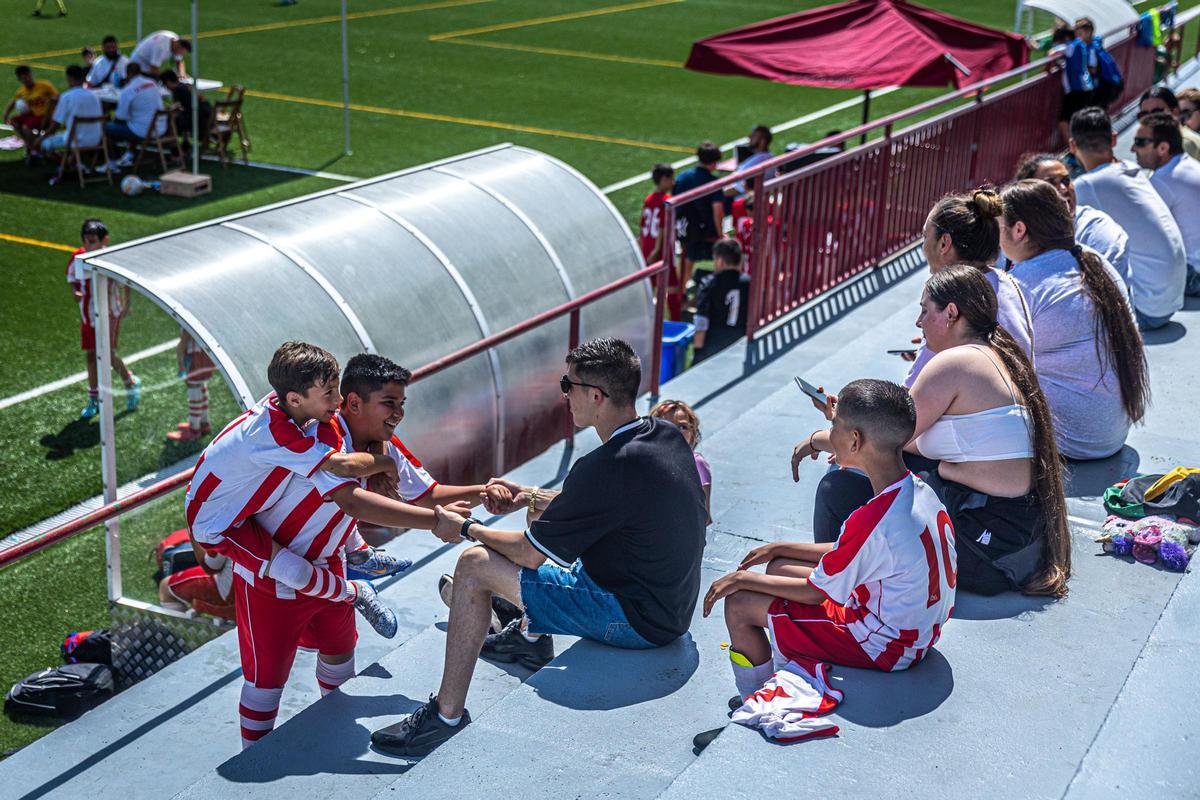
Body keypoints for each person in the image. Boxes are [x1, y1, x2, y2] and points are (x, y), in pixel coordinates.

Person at [370, 337, 708, 757]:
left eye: (569, 384)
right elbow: (598, 507)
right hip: (668, 607)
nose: (564, 393)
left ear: (595, 395)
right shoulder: (661, 436)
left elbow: (531, 554)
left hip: (636, 621)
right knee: (537, 517)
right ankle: (529, 640)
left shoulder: (603, 467)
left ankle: (445, 717)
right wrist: (528, 496)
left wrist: (466, 527)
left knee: (474, 564)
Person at [225, 352, 485, 749]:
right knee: (267, 683)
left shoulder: (382, 445)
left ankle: (338, 731)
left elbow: (427, 493)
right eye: (389, 403)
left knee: (339, 655)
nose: (398, 414)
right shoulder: (319, 440)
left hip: (328, 565)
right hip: (270, 575)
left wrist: (489, 492)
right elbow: (354, 503)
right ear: (352, 403)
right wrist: (436, 521)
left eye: (402, 404)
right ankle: (251, 762)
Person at [708, 379, 954, 716]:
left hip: (886, 646)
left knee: (739, 604)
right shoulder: (917, 492)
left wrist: (740, 581)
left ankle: (755, 705)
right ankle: (781, 670)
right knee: (779, 565)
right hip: (917, 634)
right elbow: (854, 550)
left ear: (855, 440)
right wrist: (779, 547)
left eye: (834, 424)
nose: (830, 432)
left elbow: (814, 594)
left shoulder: (874, 519)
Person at [184, 341, 444, 640]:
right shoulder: (277, 434)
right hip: (219, 526)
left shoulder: (283, 408)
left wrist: (377, 447)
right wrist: (384, 462)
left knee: (317, 492)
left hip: (218, 506)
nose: (340, 399)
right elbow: (344, 466)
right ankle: (355, 591)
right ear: (296, 398)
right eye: (330, 393)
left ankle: (358, 552)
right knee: (292, 571)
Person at [998, 179, 1148, 460]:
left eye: (999, 227)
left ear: (1019, 230)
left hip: (1073, 441)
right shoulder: (1096, 262)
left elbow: (992, 365)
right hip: (1112, 434)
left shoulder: (1023, 284)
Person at [1070, 106, 1186, 330]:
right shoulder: (1131, 169)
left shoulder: (1086, 185)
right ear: (1113, 139)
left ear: (1072, 145)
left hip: (1146, 310)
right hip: (1169, 301)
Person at [905, 189, 1033, 386]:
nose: (923, 246)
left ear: (944, 243)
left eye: (925, 237)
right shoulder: (1009, 283)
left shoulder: (952, 294)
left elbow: (911, 397)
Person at [1014, 154, 1129, 283]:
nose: (1063, 189)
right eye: (1050, 183)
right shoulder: (1017, 232)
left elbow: (1105, 286)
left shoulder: (1096, 228)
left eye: (1066, 180)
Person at [66, 219, 140, 419]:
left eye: (93, 241)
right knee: (91, 355)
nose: (88, 246)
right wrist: (75, 293)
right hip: (88, 315)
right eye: (86, 241)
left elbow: (125, 281)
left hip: (110, 312)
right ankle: (94, 399)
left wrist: (127, 303)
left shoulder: (110, 258)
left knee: (107, 354)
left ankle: (130, 384)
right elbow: (72, 279)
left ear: (104, 240)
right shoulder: (78, 257)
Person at [1132, 112, 1200, 298]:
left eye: (1140, 142)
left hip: (1195, 275)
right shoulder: (1189, 165)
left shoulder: (1162, 181)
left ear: (1162, 148)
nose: (1133, 148)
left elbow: (1145, 236)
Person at [673, 141, 725, 295]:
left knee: (686, 259)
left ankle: (680, 293)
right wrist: (721, 234)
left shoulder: (683, 177)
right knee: (721, 255)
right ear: (715, 162)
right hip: (705, 230)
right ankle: (719, 290)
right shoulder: (713, 182)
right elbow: (718, 211)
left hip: (684, 228)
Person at [650, 399, 711, 523]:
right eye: (666, 425)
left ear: (693, 433)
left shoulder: (697, 464)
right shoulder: (646, 462)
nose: (675, 431)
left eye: (683, 427)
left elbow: (706, 517)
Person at [692, 238, 750, 364]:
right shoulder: (749, 283)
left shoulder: (709, 284)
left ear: (720, 261)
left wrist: (697, 355)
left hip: (713, 347)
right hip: (741, 345)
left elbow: (701, 321)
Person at [106, 62, 166, 167]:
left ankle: (112, 163)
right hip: (160, 127)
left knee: (106, 127)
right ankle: (130, 153)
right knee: (133, 121)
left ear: (127, 74)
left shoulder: (128, 90)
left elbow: (120, 117)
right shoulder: (152, 83)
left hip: (143, 131)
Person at [35, 65, 102, 158]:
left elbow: (55, 126)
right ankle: (72, 161)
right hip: (96, 139)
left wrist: (40, 139)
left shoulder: (66, 97)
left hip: (76, 141)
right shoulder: (95, 96)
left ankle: (67, 164)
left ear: (69, 78)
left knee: (45, 143)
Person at [167, 329, 216, 441]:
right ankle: (204, 423)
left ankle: (194, 430)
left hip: (195, 356)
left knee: (194, 388)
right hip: (204, 354)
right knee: (201, 386)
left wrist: (181, 363)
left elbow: (183, 341)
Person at [1048, 26, 1094, 145]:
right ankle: (1081, 148)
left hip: (1076, 90)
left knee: (1064, 121)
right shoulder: (1080, 44)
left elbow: (1052, 53)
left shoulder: (1069, 45)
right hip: (1087, 87)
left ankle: (1074, 150)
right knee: (1078, 120)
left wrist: (1048, 69)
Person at [3, 66, 57, 156]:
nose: (27, 79)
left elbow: (57, 98)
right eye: (23, 78)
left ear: (31, 75)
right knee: (14, 121)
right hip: (34, 116)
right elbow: (13, 103)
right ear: (19, 79)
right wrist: (5, 115)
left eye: (28, 76)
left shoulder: (45, 85)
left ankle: (34, 148)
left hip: (46, 116)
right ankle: (33, 145)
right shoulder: (21, 92)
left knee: (26, 128)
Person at [1139, 86, 1200, 159]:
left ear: (1174, 112)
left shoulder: (1184, 143)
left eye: (1157, 112)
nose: (1151, 119)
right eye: (1145, 115)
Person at [1075, 17, 1123, 107]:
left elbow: (1093, 70)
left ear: (1089, 33)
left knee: (1094, 109)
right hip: (1115, 81)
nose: (1077, 37)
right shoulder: (1095, 42)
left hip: (1107, 85)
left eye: (1080, 33)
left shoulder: (1090, 50)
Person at [161, 69, 210, 148]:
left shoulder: (177, 90)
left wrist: (166, 109)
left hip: (199, 122)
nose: (166, 87)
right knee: (182, 116)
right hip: (207, 118)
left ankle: (173, 146)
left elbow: (175, 108)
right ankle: (185, 142)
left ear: (168, 81)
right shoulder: (186, 86)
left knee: (171, 119)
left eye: (165, 84)